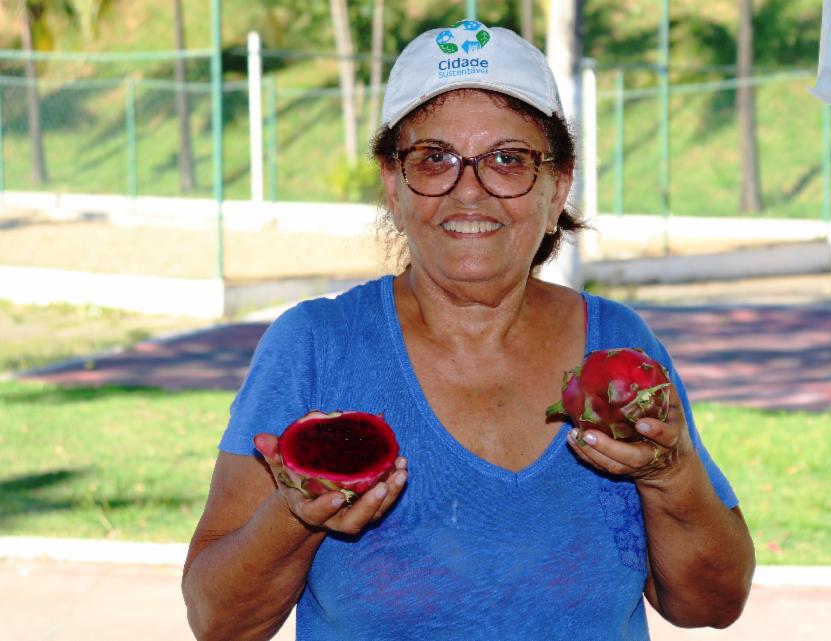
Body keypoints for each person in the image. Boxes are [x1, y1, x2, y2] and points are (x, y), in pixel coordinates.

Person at [182, 20, 755, 641]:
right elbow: (218, 623)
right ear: (393, 186)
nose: (470, 191)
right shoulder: (315, 346)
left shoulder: (620, 345)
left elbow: (711, 606)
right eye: (434, 159)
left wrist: (669, 474)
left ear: (557, 185)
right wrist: (293, 518)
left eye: (507, 160)